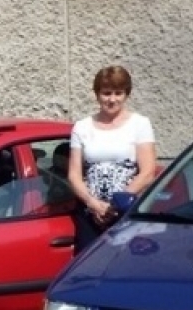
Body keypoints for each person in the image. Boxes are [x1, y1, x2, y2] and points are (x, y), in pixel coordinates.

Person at [66, 65, 159, 251]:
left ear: (126, 94)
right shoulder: (82, 127)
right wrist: (93, 204)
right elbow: (74, 175)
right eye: (106, 93)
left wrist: (116, 205)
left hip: (127, 215)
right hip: (90, 216)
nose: (112, 99)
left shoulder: (140, 124)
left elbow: (148, 172)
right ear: (97, 94)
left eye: (118, 93)